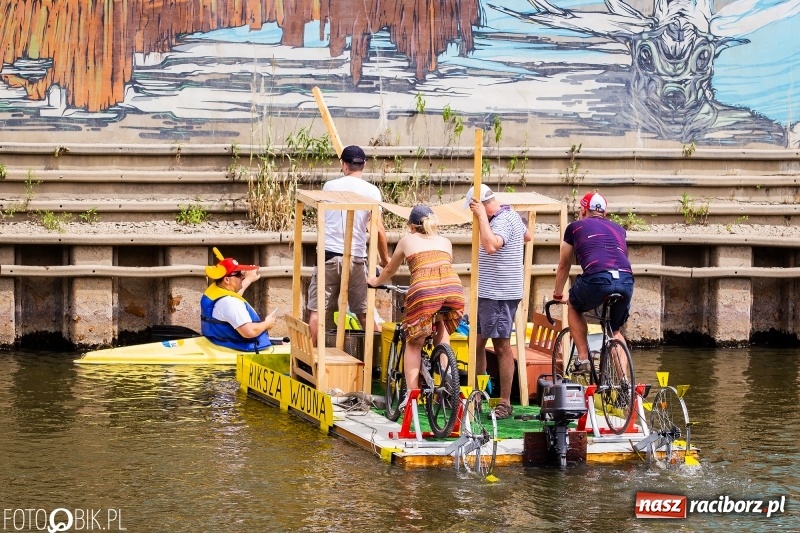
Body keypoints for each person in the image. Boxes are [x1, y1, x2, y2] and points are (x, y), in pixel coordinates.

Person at [367, 205, 465, 407]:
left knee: (413, 342)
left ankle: (411, 398)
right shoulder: (445, 241)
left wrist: (375, 282)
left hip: (424, 291)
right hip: (452, 288)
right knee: (442, 324)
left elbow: (389, 269)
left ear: (411, 226)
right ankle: (447, 379)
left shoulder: (407, 240)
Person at [307, 145, 390, 342]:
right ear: (364, 165)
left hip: (328, 256)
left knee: (317, 311)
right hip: (356, 258)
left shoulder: (329, 186)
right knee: (363, 313)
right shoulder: (372, 192)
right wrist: (385, 259)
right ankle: (377, 358)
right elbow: (377, 229)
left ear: (343, 165)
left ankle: (313, 359)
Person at [466, 184, 532, 419]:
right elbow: (527, 235)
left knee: (501, 345)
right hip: (492, 291)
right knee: (477, 342)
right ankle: (478, 393)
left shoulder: (501, 220)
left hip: (499, 293)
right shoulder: (510, 215)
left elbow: (492, 246)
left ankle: (504, 402)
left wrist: (483, 217)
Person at [552, 191, 634, 369]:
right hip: (626, 280)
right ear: (604, 213)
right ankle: (625, 385)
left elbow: (563, 266)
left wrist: (558, 294)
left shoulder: (575, 227)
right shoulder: (619, 230)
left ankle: (583, 358)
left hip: (598, 277)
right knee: (615, 331)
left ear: (583, 210)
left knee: (574, 305)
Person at [201, 255, 277, 351]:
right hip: (240, 347)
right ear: (227, 280)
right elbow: (249, 332)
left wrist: (248, 280)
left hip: (218, 341)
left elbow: (233, 295)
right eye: (238, 275)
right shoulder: (231, 303)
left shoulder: (217, 289)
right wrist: (267, 323)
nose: (242, 276)